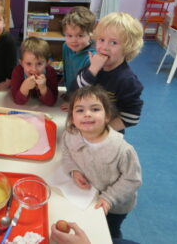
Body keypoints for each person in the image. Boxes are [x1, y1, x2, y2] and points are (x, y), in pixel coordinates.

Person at [61, 85, 142, 239]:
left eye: (95, 109)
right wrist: (74, 170)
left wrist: (109, 198)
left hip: (114, 205)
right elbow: (66, 152)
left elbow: (132, 180)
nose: (87, 114)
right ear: (72, 118)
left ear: (107, 116)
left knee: (108, 232)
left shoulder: (122, 150)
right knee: (87, 228)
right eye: (80, 110)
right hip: (86, 197)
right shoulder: (70, 134)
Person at [69, 12, 144, 133]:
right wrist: (92, 70)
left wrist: (102, 132)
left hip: (107, 135)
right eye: (101, 40)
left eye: (113, 42)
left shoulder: (127, 80)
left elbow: (132, 117)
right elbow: (74, 92)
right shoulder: (93, 67)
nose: (104, 47)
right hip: (85, 129)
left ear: (128, 47)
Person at [60, 6, 96, 111]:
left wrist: (74, 103)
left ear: (90, 34)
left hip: (84, 100)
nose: (74, 40)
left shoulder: (92, 58)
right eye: (69, 35)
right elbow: (68, 69)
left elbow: (88, 88)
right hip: (70, 93)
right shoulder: (66, 46)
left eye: (80, 36)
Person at [11, 37, 58, 106]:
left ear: (47, 63)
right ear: (21, 63)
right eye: (28, 64)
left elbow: (51, 103)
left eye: (39, 64)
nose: (34, 69)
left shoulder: (51, 72)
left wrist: (43, 88)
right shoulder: (18, 72)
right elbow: (18, 101)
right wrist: (24, 87)